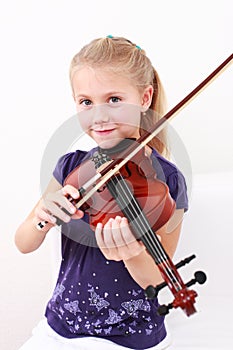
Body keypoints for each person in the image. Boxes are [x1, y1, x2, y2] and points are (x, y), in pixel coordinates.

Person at [15, 36, 188, 350]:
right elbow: (24, 242)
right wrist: (42, 219)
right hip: (61, 326)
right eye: (86, 102)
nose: (99, 116)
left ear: (145, 97)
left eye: (114, 99)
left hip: (129, 337)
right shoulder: (72, 167)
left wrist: (133, 254)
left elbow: (156, 280)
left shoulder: (167, 180)